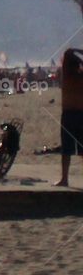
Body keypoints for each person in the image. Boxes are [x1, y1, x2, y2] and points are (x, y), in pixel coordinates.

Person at [56, 48, 83, 186]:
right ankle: (64, 179)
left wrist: (77, 52)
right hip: (79, 113)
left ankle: (65, 178)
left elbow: (67, 53)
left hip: (69, 114)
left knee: (66, 149)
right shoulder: (80, 75)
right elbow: (68, 54)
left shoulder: (66, 75)